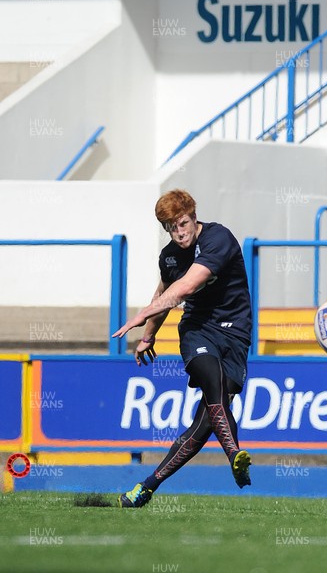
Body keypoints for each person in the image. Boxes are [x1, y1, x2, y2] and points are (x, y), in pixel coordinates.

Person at [113, 189, 252, 508]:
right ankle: (235, 455)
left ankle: (145, 488)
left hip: (235, 334)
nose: (179, 231)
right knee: (213, 385)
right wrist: (148, 336)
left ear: (193, 215)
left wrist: (140, 315)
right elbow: (164, 292)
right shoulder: (170, 256)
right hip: (197, 331)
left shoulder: (219, 239)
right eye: (171, 227)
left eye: (183, 222)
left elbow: (186, 287)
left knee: (202, 426)